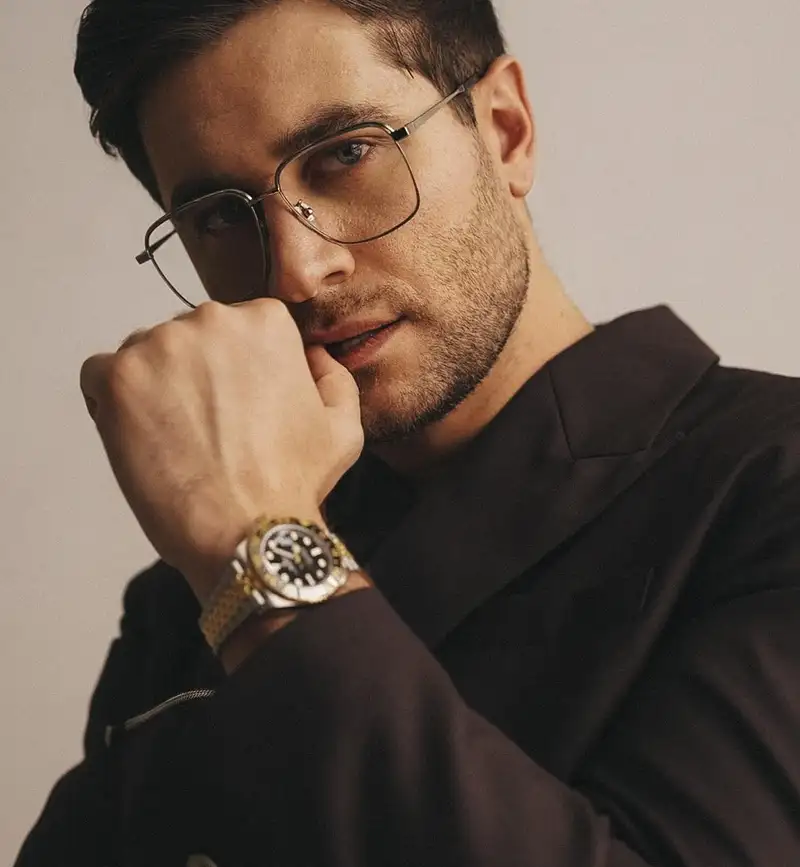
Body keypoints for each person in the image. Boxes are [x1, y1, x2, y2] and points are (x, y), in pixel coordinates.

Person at [16, 0, 800, 864]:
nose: (297, 270)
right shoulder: (186, 593)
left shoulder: (768, 484)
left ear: (505, 130)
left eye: (347, 154)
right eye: (220, 215)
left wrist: (262, 553)